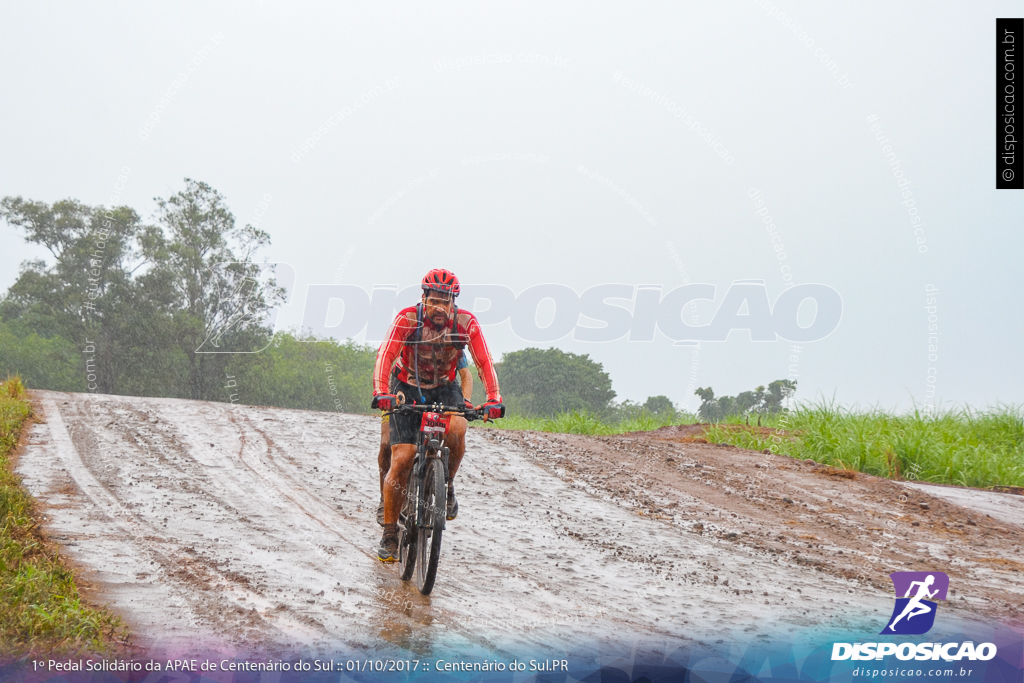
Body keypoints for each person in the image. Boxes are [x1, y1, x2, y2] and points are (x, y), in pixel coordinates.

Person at [371, 268, 504, 562]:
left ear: (453, 301)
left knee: (457, 429)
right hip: (406, 383)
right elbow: (386, 355)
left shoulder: (465, 323)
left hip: (445, 386)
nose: (440, 307)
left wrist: (494, 398)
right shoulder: (408, 319)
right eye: (434, 300)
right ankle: (390, 533)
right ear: (424, 299)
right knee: (403, 458)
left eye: (446, 301)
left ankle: (447, 484)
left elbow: (483, 361)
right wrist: (381, 392)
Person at [375, 350, 473, 526]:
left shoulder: (450, 346)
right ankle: (385, 499)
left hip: (438, 394)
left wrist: (464, 402)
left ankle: (447, 484)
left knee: (456, 430)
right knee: (386, 443)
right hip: (400, 393)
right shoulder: (404, 338)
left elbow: (466, 375)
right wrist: (384, 396)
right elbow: (383, 366)